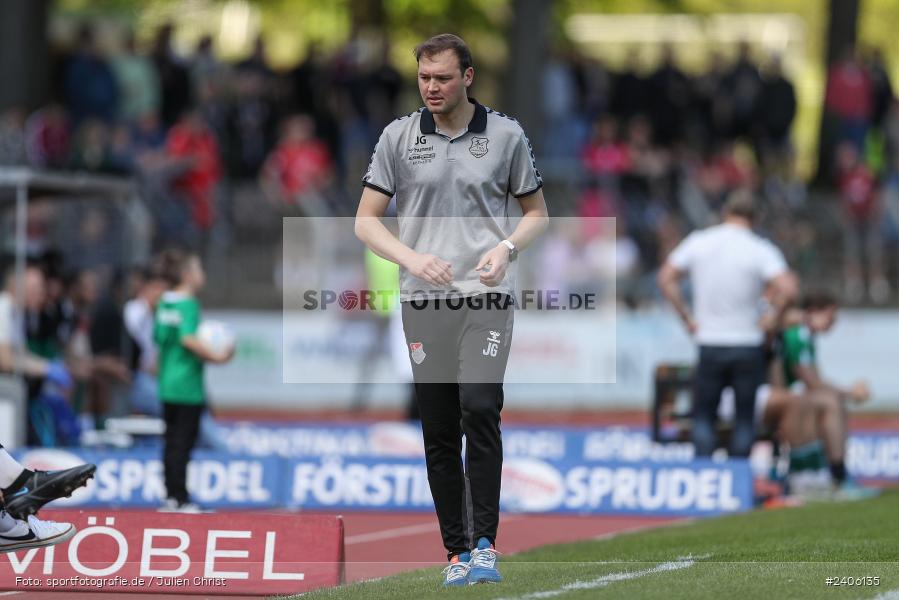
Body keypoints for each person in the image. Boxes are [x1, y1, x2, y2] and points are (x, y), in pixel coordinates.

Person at [354, 33, 548, 586]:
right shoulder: (398, 136)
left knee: (480, 408)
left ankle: (486, 544)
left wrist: (506, 248)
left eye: (442, 77)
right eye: (423, 78)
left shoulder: (507, 135)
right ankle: (456, 552)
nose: (431, 87)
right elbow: (365, 220)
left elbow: (537, 214)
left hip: (486, 297)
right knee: (439, 428)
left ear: (467, 77)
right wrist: (413, 258)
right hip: (423, 300)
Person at [658, 191, 795, 459]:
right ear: (756, 218)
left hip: (710, 340)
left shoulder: (700, 242)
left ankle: (705, 477)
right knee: (745, 419)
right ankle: (738, 480)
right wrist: (772, 318)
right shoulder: (759, 247)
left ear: (725, 213)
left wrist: (686, 317)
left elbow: (666, 278)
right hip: (747, 341)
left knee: (704, 416)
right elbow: (788, 288)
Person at [154, 250, 233, 512]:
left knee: (171, 442)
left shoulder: (164, 304)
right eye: (199, 270)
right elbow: (188, 338)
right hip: (187, 387)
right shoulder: (188, 304)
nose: (203, 275)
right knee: (183, 444)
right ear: (187, 276)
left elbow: (160, 338)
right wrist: (217, 356)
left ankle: (170, 495)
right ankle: (180, 497)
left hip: (167, 384)